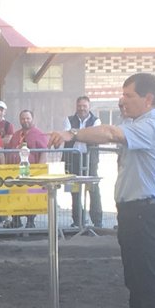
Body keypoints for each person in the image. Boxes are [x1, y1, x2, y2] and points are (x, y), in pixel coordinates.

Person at [50, 73, 155, 308]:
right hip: (134, 211)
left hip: (145, 211)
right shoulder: (137, 124)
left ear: (148, 99)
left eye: (128, 95)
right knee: (135, 280)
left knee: (148, 281)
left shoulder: (152, 126)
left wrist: (73, 134)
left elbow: (109, 133)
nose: (122, 100)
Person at [65, 95, 102, 230]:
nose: (81, 109)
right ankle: (77, 220)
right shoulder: (68, 119)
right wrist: (85, 134)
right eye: (79, 106)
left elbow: (94, 136)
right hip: (72, 160)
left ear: (89, 106)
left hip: (90, 160)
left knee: (93, 189)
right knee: (73, 191)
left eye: (84, 106)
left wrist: (75, 134)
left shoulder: (96, 120)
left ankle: (97, 221)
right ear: (76, 106)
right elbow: (68, 136)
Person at [9, 109, 50, 228]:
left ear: (32, 119)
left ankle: (30, 220)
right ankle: (15, 219)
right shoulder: (16, 134)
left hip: (31, 170)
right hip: (16, 170)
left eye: (27, 118)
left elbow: (44, 151)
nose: (25, 120)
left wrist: (40, 168)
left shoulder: (39, 134)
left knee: (30, 195)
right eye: (23, 118)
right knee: (15, 194)